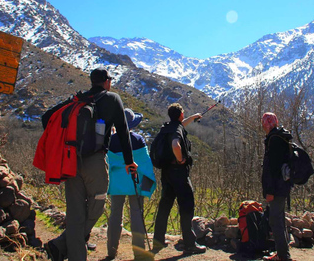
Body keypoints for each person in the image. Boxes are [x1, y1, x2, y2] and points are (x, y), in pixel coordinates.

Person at [45, 68, 137, 261]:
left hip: (70, 161)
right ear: (106, 81)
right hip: (94, 160)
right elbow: (123, 132)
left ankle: (66, 250)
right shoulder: (112, 99)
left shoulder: (78, 100)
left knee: (75, 213)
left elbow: (47, 118)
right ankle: (60, 244)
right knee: (98, 204)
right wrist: (129, 162)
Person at [151, 103, 207, 255]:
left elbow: (181, 125)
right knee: (187, 206)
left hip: (167, 173)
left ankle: (158, 240)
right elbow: (176, 144)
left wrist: (194, 117)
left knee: (165, 206)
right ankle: (190, 244)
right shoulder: (177, 130)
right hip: (179, 173)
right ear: (180, 114)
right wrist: (181, 158)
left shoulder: (168, 127)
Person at [106, 108, 157, 261]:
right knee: (136, 214)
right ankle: (139, 252)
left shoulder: (110, 140)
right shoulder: (137, 139)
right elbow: (145, 164)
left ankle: (111, 251)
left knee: (115, 214)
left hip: (116, 183)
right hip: (135, 181)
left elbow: (108, 161)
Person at [260, 112, 294, 261]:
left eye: (264, 123)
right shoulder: (281, 137)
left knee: (275, 221)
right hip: (284, 186)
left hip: (276, 188)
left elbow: (272, 169)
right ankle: (282, 254)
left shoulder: (274, 140)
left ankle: (283, 257)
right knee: (279, 219)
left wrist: (270, 191)